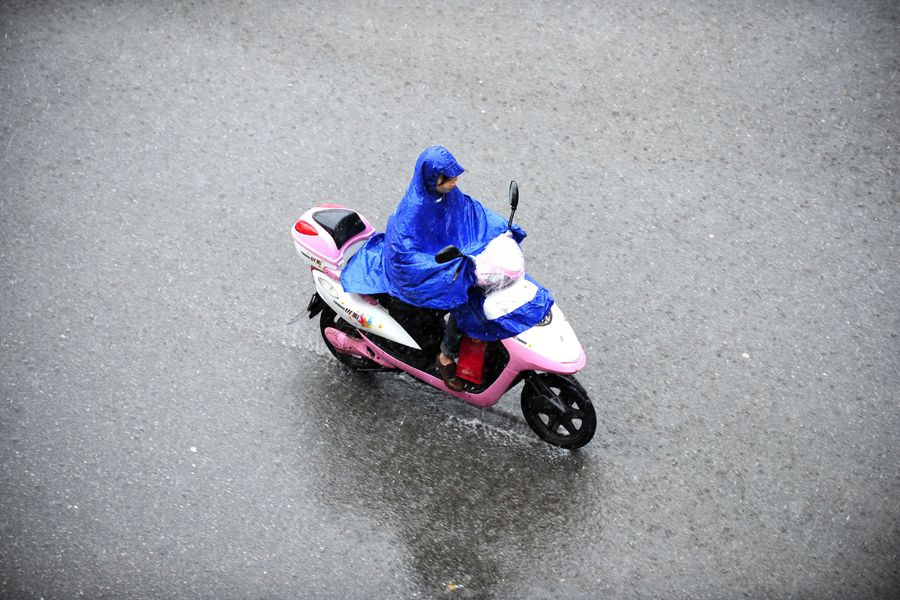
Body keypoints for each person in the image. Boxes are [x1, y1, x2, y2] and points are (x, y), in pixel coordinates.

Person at [341, 145, 552, 390]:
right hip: (415, 276)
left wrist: (501, 229)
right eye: (448, 179)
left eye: (455, 178)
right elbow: (403, 255)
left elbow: (473, 214)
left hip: (446, 258)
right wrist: (445, 267)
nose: (454, 183)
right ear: (433, 179)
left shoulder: (448, 194)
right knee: (464, 299)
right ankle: (445, 356)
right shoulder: (412, 212)